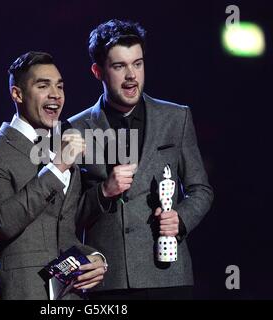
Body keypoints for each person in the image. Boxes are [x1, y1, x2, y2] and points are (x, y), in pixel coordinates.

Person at [67, 19, 214, 299]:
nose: (132, 75)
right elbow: (65, 215)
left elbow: (201, 190)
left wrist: (181, 218)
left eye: (138, 63)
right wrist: (104, 191)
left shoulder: (176, 117)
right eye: (119, 66)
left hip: (168, 274)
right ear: (98, 71)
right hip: (109, 281)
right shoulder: (74, 129)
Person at [0, 51, 106, 300]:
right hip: (21, 291)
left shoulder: (60, 146)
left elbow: (62, 230)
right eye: (43, 85)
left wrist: (95, 258)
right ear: (17, 94)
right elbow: (3, 223)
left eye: (60, 86)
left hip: (69, 294)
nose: (56, 94)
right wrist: (58, 166)